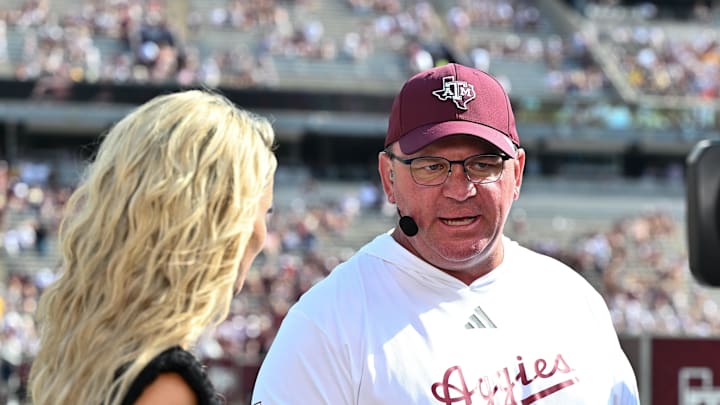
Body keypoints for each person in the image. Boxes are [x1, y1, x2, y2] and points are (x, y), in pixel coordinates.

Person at [251, 63, 640, 404]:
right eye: (431, 166)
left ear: (517, 173)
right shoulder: (326, 323)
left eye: (483, 164)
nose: (459, 189)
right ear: (389, 177)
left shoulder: (573, 301)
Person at [28, 89, 278, 405]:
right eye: (265, 211)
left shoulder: (82, 349)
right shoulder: (164, 383)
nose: (264, 233)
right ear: (221, 219)